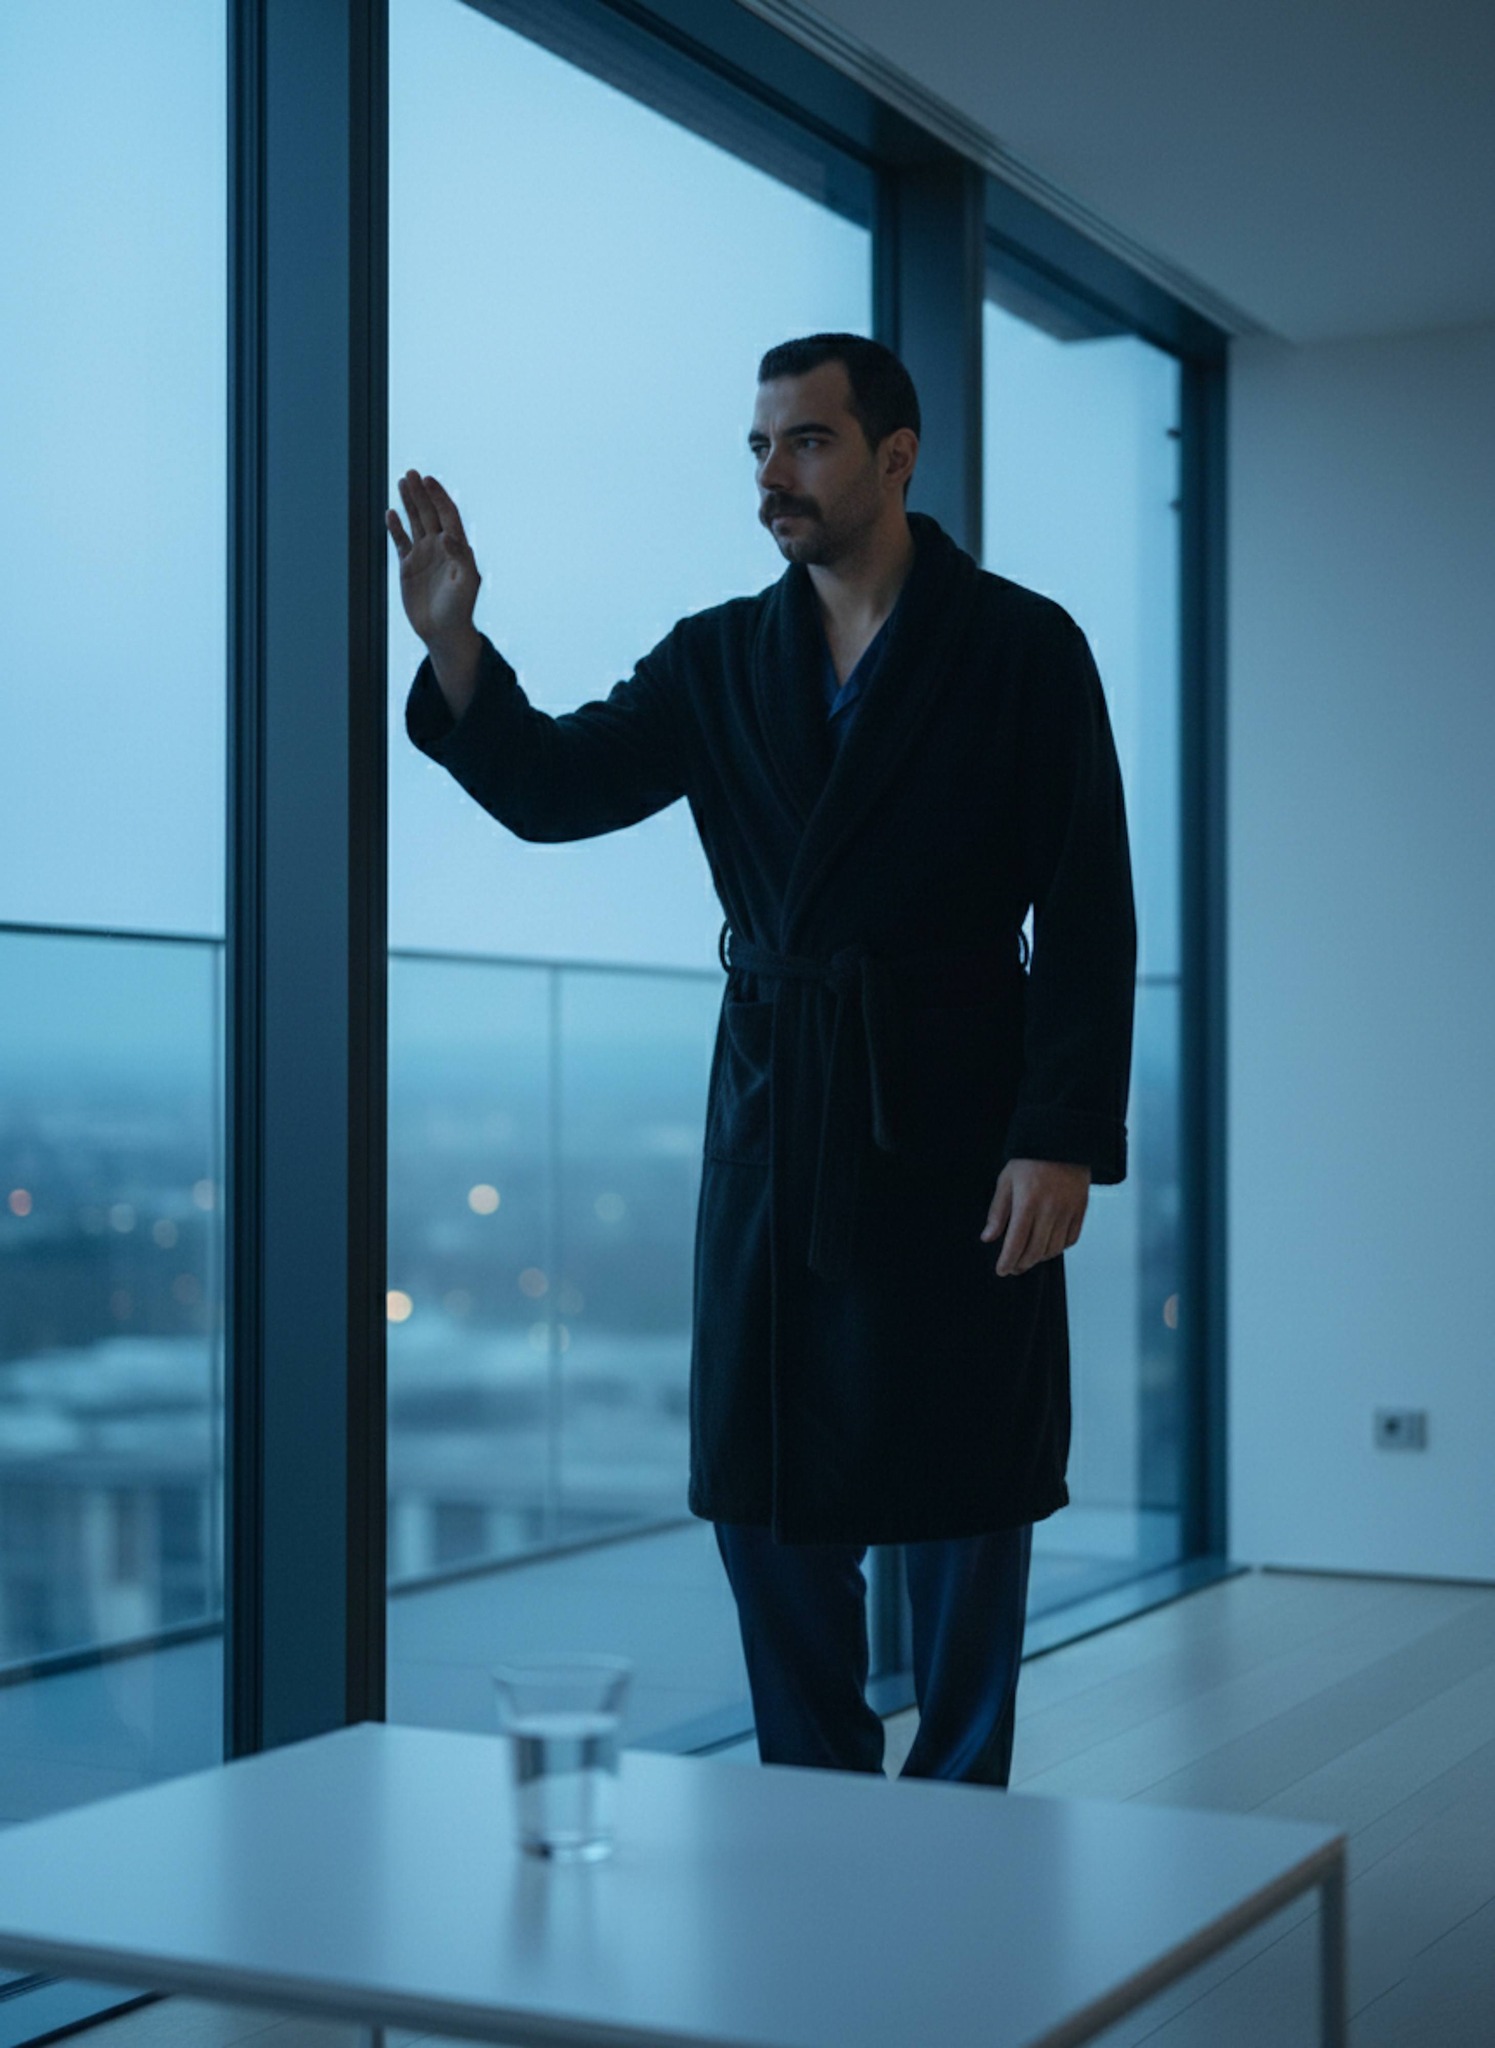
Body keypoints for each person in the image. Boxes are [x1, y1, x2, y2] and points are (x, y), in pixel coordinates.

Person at [386, 333, 1137, 1788]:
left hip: (964, 1111)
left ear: (896, 456)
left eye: (805, 442)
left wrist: (1057, 1133)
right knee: (766, 1475)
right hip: (781, 1108)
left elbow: (1090, 902)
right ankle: (815, 1805)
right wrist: (456, 648)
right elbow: (557, 787)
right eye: (758, 448)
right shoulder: (720, 658)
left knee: (971, 1481)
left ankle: (964, 1806)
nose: (771, 477)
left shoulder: (1023, 647)